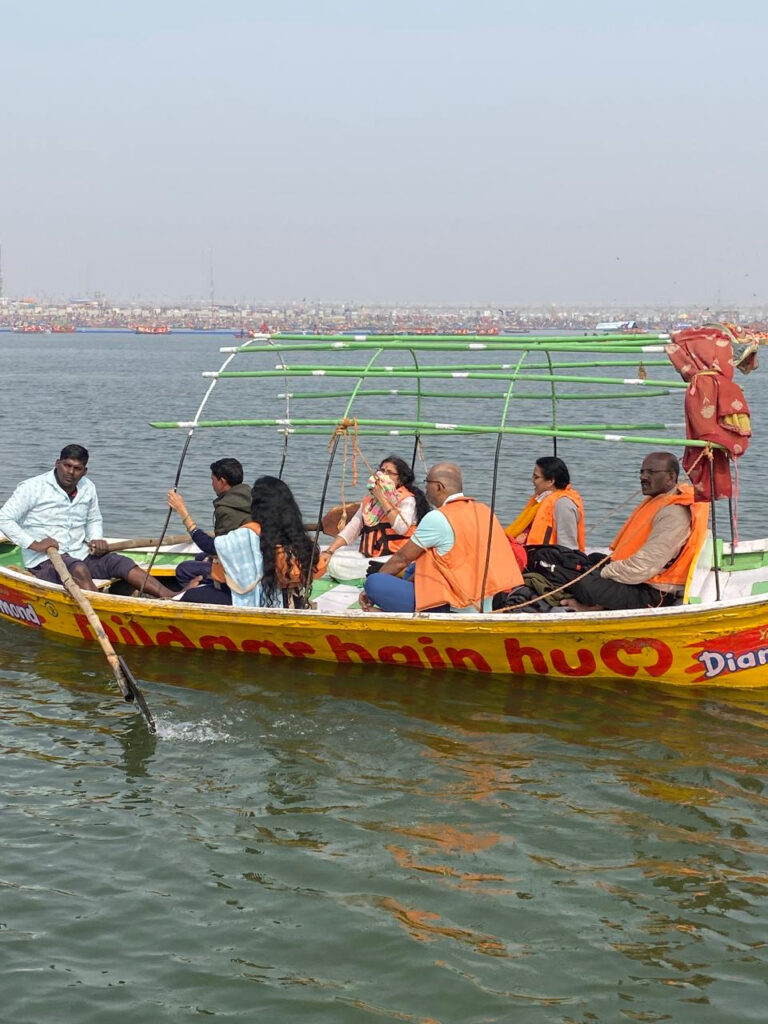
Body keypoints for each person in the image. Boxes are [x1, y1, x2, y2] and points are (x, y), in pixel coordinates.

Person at [0, 444, 175, 598]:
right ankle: (105, 612)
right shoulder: (33, 487)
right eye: (67, 465)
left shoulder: (88, 487)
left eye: (77, 468)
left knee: (120, 562)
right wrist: (34, 544)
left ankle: (170, 597)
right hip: (45, 560)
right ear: (57, 463)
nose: (70, 472)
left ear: (84, 471)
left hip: (81, 552)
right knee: (78, 570)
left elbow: (93, 518)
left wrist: (95, 538)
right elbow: (4, 518)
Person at [362, 461, 523, 613]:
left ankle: (398, 609)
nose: (425, 489)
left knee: (375, 582)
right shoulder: (484, 510)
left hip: (453, 604)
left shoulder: (438, 517)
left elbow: (401, 558)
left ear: (439, 487)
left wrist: (369, 594)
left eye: (427, 483)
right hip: (486, 601)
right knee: (414, 567)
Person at [561, 451, 709, 611]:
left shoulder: (675, 513)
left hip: (655, 592)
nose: (643, 477)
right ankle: (597, 599)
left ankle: (593, 607)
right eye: (642, 472)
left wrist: (604, 572)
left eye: (651, 472)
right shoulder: (663, 499)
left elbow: (643, 567)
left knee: (583, 582)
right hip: (644, 579)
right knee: (592, 559)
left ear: (670, 477)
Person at [181, 475, 326, 606]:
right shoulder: (297, 534)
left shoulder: (250, 532)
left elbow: (210, 546)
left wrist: (184, 514)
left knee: (190, 595)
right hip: (292, 600)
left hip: (255, 601)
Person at [166, 458, 252, 584]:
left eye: (213, 480)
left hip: (239, 570)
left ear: (222, 481)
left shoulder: (226, 509)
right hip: (248, 556)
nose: (212, 484)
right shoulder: (250, 496)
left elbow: (215, 548)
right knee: (201, 557)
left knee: (183, 569)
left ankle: (203, 593)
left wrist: (182, 511)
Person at [325, 455, 430, 558]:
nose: (382, 475)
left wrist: (381, 498)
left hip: (396, 557)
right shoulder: (369, 502)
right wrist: (330, 551)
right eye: (381, 471)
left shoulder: (407, 500)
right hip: (372, 555)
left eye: (389, 473)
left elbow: (401, 528)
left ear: (400, 479)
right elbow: (352, 529)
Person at [506, 456, 585, 550]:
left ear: (550, 481)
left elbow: (568, 549)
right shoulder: (540, 500)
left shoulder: (563, 505)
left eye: (536, 477)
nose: (532, 480)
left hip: (548, 560)